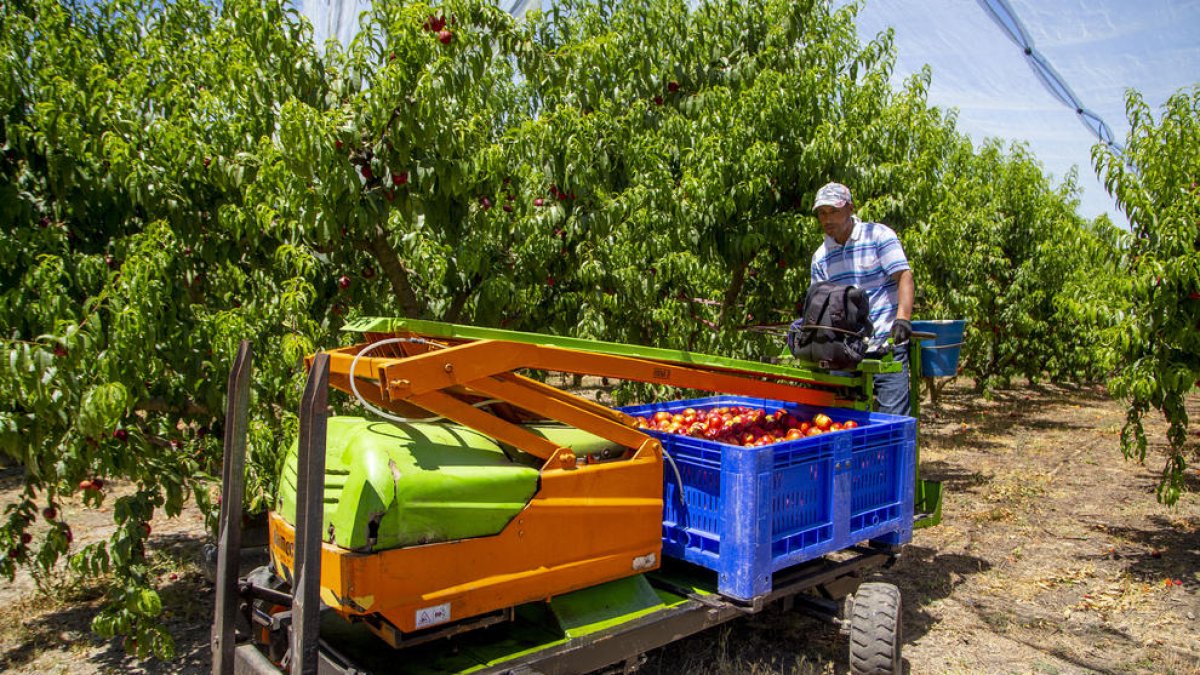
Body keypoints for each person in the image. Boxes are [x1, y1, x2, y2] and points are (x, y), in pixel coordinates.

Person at [810, 182, 915, 416]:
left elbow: (904, 276)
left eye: (834, 211)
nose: (827, 219)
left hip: (885, 345)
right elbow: (820, 305)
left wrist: (903, 319)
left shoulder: (878, 236)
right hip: (843, 352)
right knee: (842, 419)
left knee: (892, 418)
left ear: (850, 208)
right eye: (822, 213)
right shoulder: (820, 257)